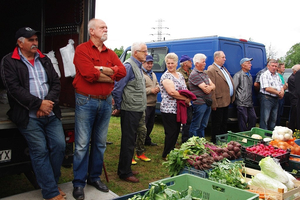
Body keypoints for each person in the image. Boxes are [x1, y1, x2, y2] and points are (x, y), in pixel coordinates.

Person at [1, 27, 66, 200]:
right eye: (30, 40)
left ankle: (52, 183)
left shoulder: (43, 59)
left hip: (50, 114)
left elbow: (55, 83)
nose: (35, 43)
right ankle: (51, 191)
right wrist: (38, 104)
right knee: (40, 151)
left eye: (36, 39)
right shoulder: (9, 60)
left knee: (59, 146)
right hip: (28, 116)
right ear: (20, 42)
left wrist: (47, 104)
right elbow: (14, 89)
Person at [72, 18, 126, 200]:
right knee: (81, 145)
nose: (106, 29)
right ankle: (78, 183)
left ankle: (93, 178)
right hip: (86, 101)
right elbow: (88, 74)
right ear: (92, 31)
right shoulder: (82, 50)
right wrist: (111, 74)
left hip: (105, 101)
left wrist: (102, 69)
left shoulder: (110, 52)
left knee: (100, 143)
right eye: (102, 27)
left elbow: (122, 72)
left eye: (106, 27)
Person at [112, 42, 148, 183]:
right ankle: (124, 173)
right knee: (128, 141)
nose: (146, 53)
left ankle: (126, 168)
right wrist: (120, 106)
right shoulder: (128, 66)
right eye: (144, 51)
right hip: (130, 109)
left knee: (131, 140)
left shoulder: (138, 66)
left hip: (136, 108)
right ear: (135, 53)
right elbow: (117, 88)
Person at [160, 53, 192, 159]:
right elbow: (172, 92)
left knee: (177, 131)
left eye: (172, 63)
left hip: (178, 109)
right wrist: (186, 99)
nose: (170, 65)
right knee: (171, 132)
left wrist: (187, 96)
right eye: (168, 63)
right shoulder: (166, 76)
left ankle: (172, 152)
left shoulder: (180, 75)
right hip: (168, 109)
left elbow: (185, 89)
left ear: (176, 63)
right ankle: (167, 154)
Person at [206, 51, 235, 143]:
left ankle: (222, 139)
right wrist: (213, 103)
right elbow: (212, 88)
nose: (225, 59)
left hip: (226, 100)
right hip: (218, 102)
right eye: (223, 57)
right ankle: (215, 140)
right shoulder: (212, 70)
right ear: (216, 58)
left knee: (223, 122)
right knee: (217, 123)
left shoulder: (223, 69)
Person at [189, 53, 215, 138]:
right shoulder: (194, 74)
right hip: (199, 103)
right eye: (203, 62)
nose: (205, 63)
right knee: (196, 125)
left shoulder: (204, 73)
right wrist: (210, 87)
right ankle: (193, 144)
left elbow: (213, 86)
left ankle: (201, 142)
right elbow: (206, 90)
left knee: (203, 125)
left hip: (207, 103)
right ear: (197, 64)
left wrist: (210, 87)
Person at [232, 58, 257, 131]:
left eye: (250, 63)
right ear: (243, 65)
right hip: (241, 102)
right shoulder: (238, 75)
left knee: (253, 117)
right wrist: (238, 99)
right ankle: (243, 135)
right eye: (248, 63)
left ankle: (249, 133)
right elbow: (234, 89)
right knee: (243, 119)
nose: (250, 65)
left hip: (249, 102)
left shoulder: (249, 75)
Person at [259, 59, 284, 131]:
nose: (274, 68)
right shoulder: (264, 75)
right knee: (265, 119)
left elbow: (281, 85)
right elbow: (267, 88)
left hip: (276, 99)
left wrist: (282, 92)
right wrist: (278, 93)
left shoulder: (277, 75)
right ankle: (264, 136)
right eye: (272, 66)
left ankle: (271, 135)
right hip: (267, 98)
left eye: (276, 66)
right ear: (268, 66)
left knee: (273, 119)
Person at [143, 55, 160, 146]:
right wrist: (151, 90)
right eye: (148, 63)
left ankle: (147, 140)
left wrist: (157, 88)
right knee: (143, 125)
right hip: (145, 104)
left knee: (150, 124)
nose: (150, 65)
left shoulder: (152, 73)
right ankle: (140, 142)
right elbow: (139, 89)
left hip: (153, 103)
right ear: (143, 63)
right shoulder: (141, 74)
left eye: (151, 63)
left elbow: (157, 83)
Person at [177, 55, 193, 143]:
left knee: (189, 120)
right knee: (183, 121)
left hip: (190, 100)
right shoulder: (179, 73)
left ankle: (187, 139)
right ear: (185, 63)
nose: (192, 63)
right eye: (190, 61)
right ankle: (184, 139)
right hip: (183, 100)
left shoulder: (191, 71)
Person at [287, 64, 300, 131]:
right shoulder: (292, 78)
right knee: (294, 118)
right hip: (295, 101)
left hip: (296, 100)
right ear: (295, 71)